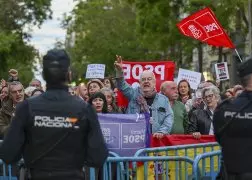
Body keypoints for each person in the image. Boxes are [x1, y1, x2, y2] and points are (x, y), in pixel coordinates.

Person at [0, 49, 108, 180]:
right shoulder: (84, 108)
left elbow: (8, 154)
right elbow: (98, 156)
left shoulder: (26, 108)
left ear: (44, 75)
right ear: (69, 75)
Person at [114, 55, 173, 138]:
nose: (146, 81)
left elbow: (169, 117)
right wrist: (120, 71)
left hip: (156, 141)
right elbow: (121, 85)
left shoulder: (163, 99)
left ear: (154, 82)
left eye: (149, 79)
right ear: (140, 82)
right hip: (135, 139)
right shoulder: (133, 94)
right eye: (143, 79)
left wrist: (162, 131)